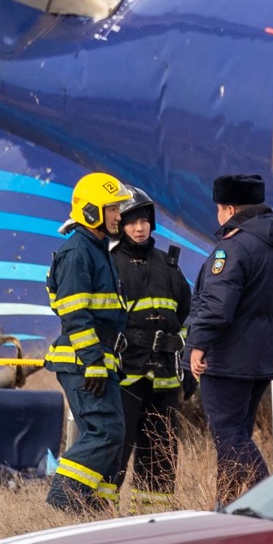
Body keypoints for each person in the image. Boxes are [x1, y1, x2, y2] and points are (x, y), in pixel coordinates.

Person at [184, 173, 273, 507]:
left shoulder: (233, 248)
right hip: (264, 358)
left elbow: (217, 306)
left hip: (228, 359)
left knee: (229, 435)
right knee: (236, 437)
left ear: (229, 209)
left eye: (219, 210)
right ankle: (229, 509)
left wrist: (198, 344)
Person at [43, 171, 132, 513]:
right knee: (104, 433)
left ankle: (91, 510)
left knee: (111, 433)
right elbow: (75, 313)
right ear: (92, 211)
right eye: (112, 209)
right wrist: (94, 361)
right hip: (84, 362)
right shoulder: (78, 252)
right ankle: (62, 504)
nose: (119, 216)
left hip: (97, 360)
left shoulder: (98, 250)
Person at [106, 185, 191, 512]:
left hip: (166, 377)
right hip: (126, 375)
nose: (140, 228)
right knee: (116, 448)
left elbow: (187, 313)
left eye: (144, 220)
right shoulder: (110, 265)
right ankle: (101, 517)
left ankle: (151, 518)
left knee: (162, 452)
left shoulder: (168, 266)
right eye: (131, 222)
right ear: (120, 225)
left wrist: (184, 363)